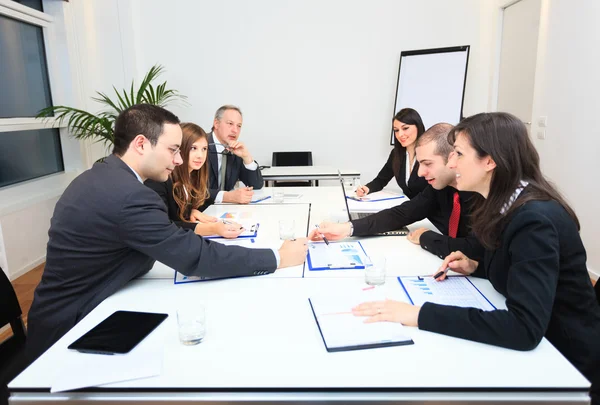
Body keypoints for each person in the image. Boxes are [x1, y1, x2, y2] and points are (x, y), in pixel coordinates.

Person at [26, 104, 308, 363]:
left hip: (80, 305)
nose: (178, 160)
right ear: (140, 144)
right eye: (173, 150)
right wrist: (276, 258)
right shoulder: (130, 196)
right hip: (72, 333)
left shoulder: (100, 176)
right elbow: (194, 257)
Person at [352, 112, 600, 404]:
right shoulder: (504, 205)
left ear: (490, 161)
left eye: (457, 153)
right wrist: (477, 267)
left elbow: (524, 328)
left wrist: (419, 314)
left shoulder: (535, 220)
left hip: (566, 369)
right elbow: (519, 269)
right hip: (543, 352)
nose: (451, 162)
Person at [310, 123, 484, 260]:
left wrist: (426, 238)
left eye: (427, 163)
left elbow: (475, 249)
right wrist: (348, 228)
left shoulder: (479, 191)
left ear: (452, 157)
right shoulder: (439, 188)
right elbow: (402, 213)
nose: (420, 173)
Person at [145, 122, 244, 238]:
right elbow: (162, 226)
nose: (200, 155)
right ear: (179, 149)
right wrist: (212, 228)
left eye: (204, 149)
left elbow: (179, 214)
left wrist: (190, 212)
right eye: (193, 148)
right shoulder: (160, 180)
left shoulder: (192, 177)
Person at [356, 108, 428, 199]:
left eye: (405, 128)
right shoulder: (396, 154)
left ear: (418, 126)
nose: (400, 134)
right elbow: (381, 180)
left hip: (430, 210)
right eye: (396, 130)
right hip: (409, 208)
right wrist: (366, 188)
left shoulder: (429, 154)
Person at [206, 105, 263, 205]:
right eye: (230, 124)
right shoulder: (200, 146)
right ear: (216, 123)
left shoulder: (235, 150)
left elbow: (256, 185)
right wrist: (227, 196)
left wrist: (246, 157)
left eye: (239, 126)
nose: (235, 130)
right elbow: (192, 189)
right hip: (199, 211)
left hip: (226, 210)